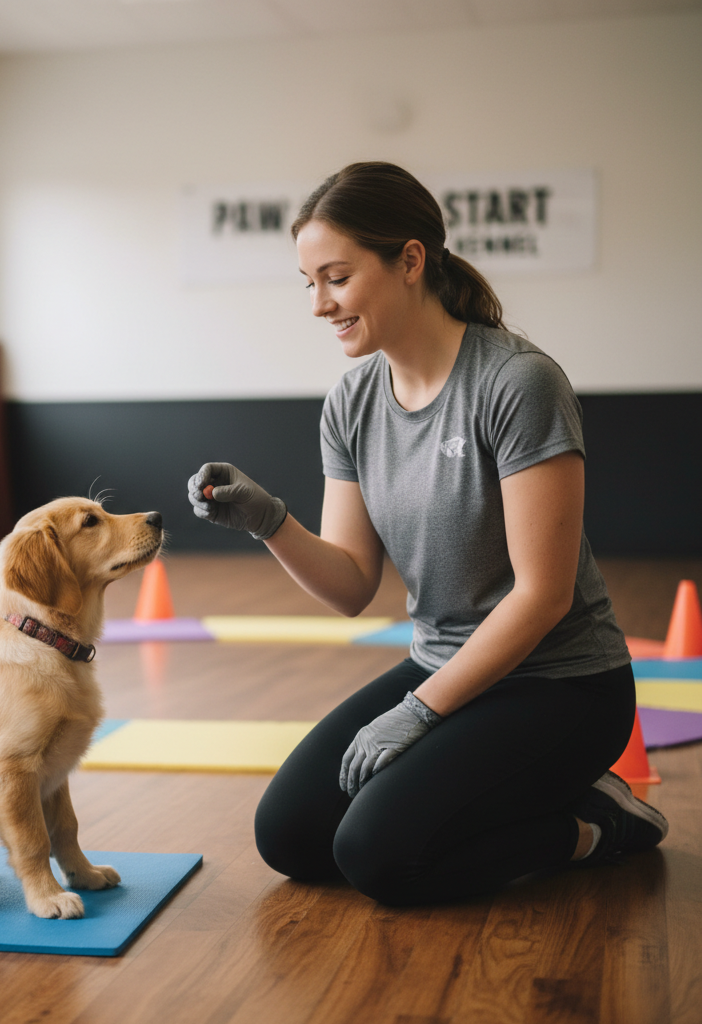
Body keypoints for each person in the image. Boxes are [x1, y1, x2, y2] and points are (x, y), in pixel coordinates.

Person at [186, 161, 667, 906]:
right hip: (445, 666)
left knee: (380, 858)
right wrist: (267, 520)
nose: (319, 304)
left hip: (562, 686)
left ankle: (593, 822)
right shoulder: (352, 401)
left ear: (409, 261)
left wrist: (417, 713)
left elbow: (542, 596)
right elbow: (351, 583)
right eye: (308, 283)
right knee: (291, 836)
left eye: (336, 277)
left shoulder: (517, 382)